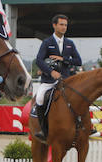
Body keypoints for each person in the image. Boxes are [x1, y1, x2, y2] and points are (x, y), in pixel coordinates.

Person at [31, 13, 81, 142]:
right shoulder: (47, 42)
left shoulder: (70, 43)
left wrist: (63, 59)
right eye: (61, 25)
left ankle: (84, 126)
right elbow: (39, 60)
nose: (64, 27)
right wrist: (51, 72)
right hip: (49, 80)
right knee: (40, 98)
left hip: (66, 80)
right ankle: (43, 130)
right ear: (54, 25)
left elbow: (78, 61)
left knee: (80, 97)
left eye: (65, 25)